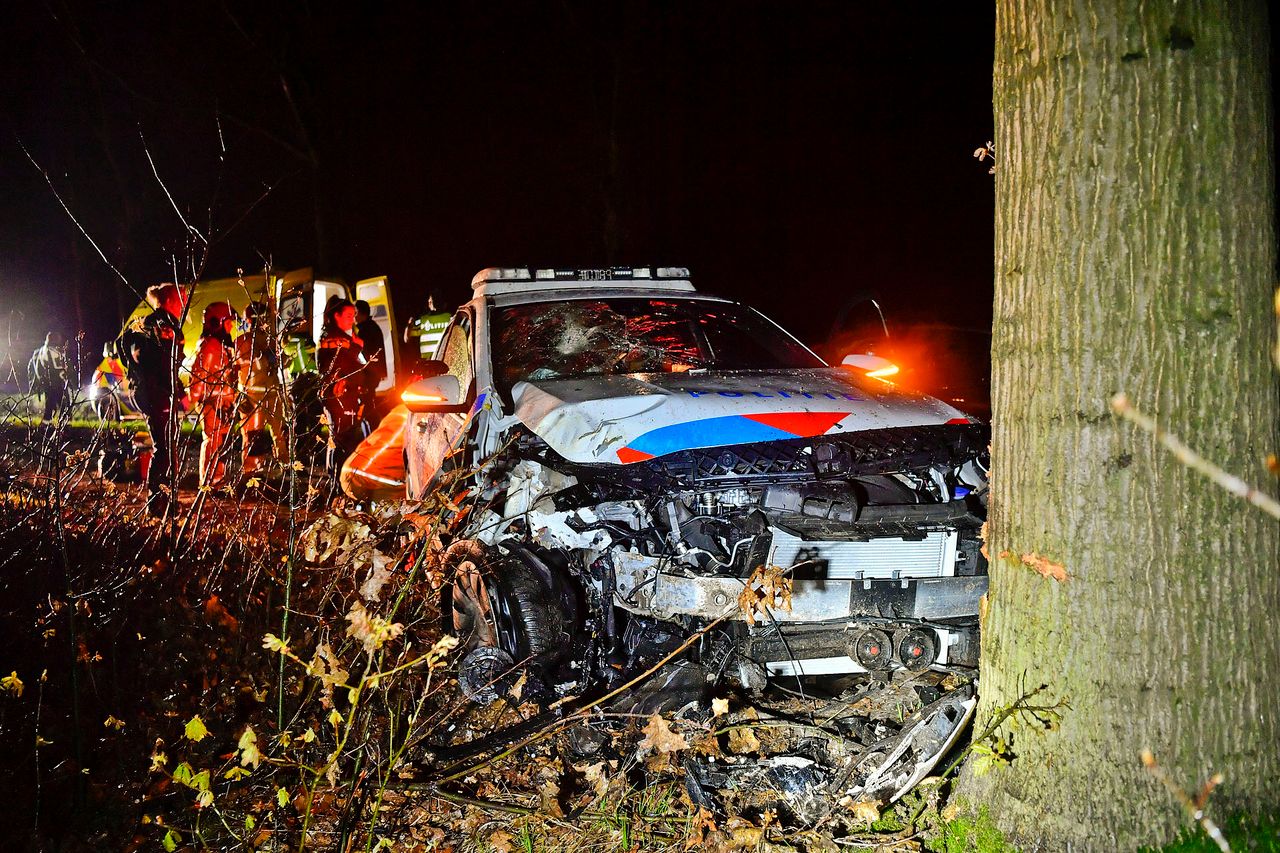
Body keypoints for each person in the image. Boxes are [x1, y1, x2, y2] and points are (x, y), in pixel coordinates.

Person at [123, 283, 188, 516]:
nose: (183, 303)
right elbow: (152, 361)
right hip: (154, 394)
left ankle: (165, 500)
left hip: (156, 392)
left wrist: (176, 388)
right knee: (165, 448)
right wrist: (169, 386)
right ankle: (156, 503)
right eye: (181, 299)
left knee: (168, 447)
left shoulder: (161, 323)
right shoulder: (159, 324)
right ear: (170, 300)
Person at [189, 302, 238, 491]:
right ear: (218, 322)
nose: (231, 327)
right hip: (213, 403)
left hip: (223, 403)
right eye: (228, 323)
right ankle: (210, 483)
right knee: (213, 442)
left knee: (221, 443)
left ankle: (217, 480)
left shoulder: (221, 346)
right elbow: (198, 375)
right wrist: (199, 399)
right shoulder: (211, 346)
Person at [236, 301, 286, 481]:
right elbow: (246, 365)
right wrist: (266, 358)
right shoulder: (243, 341)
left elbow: (284, 361)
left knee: (280, 433)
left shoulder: (271, 338)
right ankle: (251, 476)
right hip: (252, 396)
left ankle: (285, 470)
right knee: (253, 437)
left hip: (273, 393)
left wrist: (279, 356)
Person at [317, 298, 367, 477]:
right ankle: (337, 481)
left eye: (353, 316)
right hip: (338, 395)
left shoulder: (341, 336)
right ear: (336, 316)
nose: (351, 320)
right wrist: (357, 345)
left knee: (342, 437)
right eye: (347, 316)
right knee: (340, 438)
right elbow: (343, 364)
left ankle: (339, 478)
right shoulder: (335, 338)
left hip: (346, 394)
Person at [354, 300, 387, 422]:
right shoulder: (371, 327)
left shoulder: (365, 330)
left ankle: (373, 430)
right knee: (368, 404)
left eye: (355, 313)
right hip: (372, 372)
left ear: (362, 313)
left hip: (369, 373)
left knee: (367, 407)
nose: (354, 316)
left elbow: (363, 354)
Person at [28, 332, 69, 423]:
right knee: (64, 401)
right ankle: (65, 422)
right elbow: (58, 367)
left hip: (46, 380)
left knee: (50, 401)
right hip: (56, 380)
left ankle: (47, 422)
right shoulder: (52, 351)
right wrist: (64, 376)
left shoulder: (42, 350)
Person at [89, 342, 135, 421]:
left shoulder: (106, 363)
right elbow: (122, 381)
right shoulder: (113, 363)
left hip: (99, 392)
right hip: (106, 391)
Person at [403, 291, 449, 359]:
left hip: (429, 364)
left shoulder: (422, 321)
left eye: (431, 301)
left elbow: (406, 339)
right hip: (445, 361)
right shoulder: (450, 318)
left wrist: (409, 325)